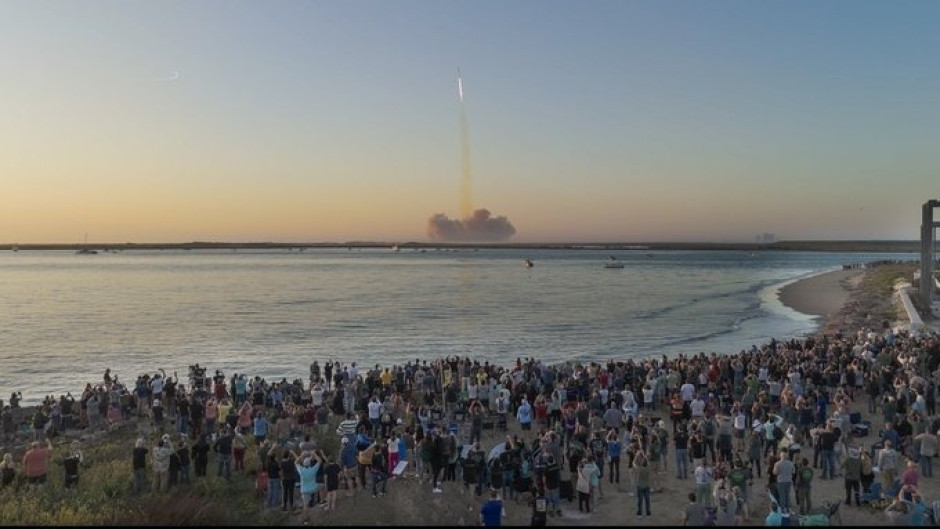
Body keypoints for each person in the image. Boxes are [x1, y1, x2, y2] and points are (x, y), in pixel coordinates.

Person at [296, 449, 322, 525]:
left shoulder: (301, 470)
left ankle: (306, 519)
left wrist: (302, 455)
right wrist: (314, 454)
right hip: (314, 488)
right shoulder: (313, 469)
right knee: (323, 486)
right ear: (310, 464)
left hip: (304, 490)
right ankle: (324, 500)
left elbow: (296, 462)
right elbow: (319, 461)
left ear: (303, 464)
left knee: (305, 505)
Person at [633, 449, 652, 518]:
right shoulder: (648, 468)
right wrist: (643, 455)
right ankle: (648, 513)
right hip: (647, 486)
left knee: (640, 501)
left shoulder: (639, 469)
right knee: (647, 500)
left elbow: (634, 463)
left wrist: (637, 455)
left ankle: (639, 513)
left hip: (640, 486)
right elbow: (647, 460)